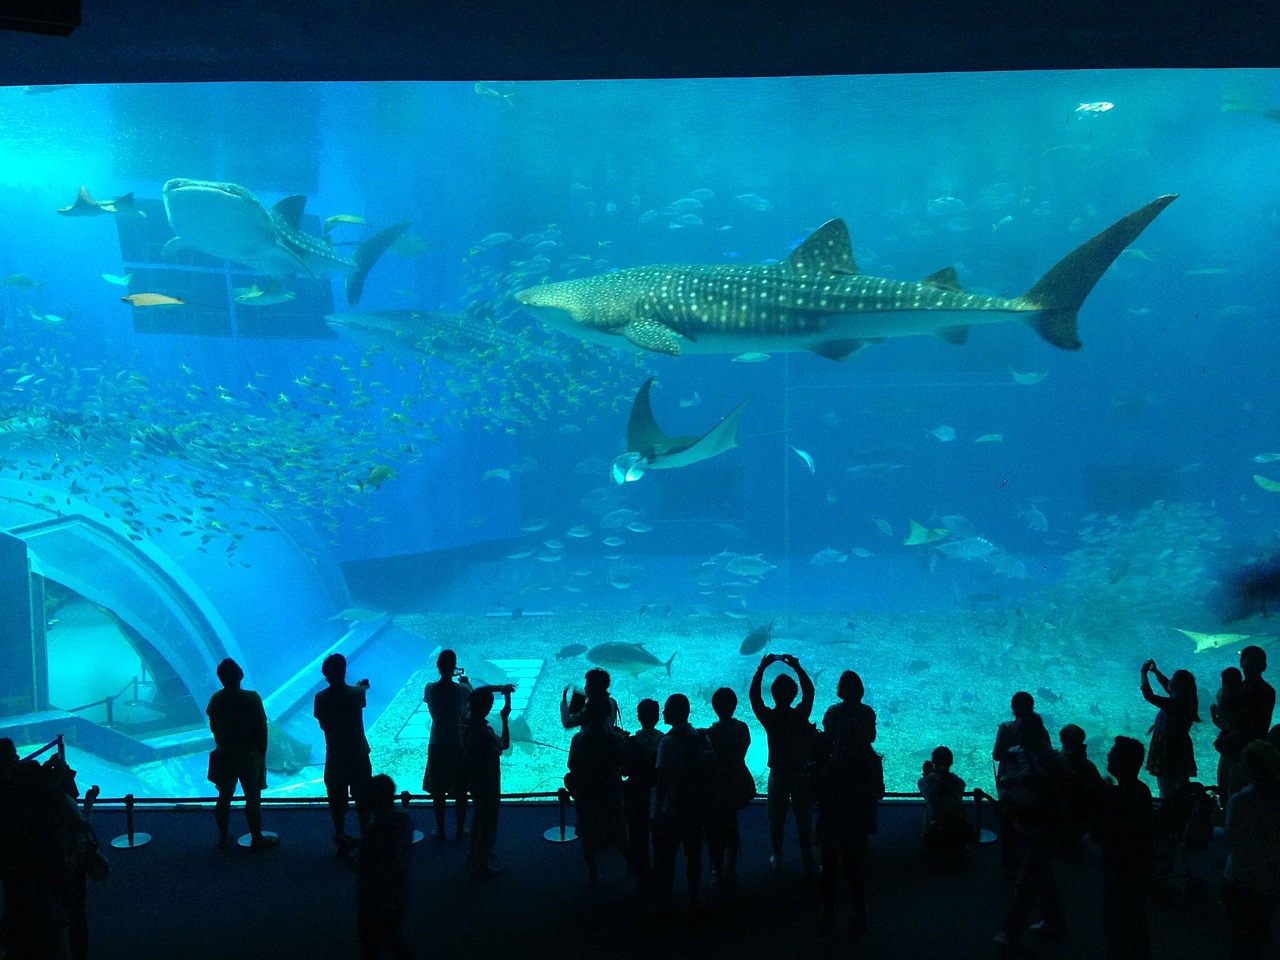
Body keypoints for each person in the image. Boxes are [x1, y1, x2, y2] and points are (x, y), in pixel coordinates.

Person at [994, 712, 1068, 949]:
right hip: (1021, 824)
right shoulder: (1015, 755)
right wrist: (1006, 801)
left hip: (1044, 829)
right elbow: (1004, 781)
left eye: (1024, 731)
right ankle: (1055, 921)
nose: (1019, 734)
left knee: (1026, 879)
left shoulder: (1052, 761)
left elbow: (1062, 795)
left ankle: (1009, 930)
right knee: (1042, 875)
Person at [817, 670, 881, 933]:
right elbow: (871, 739)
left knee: (834, 822)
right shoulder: (867, 712)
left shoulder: (833, 712)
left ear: (840, 691)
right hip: (863, 768)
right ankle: (860, 845)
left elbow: (827, 737)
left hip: (838, 770)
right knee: (861, 811)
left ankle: (830, 907)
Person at [748, 652, 816, 876]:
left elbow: (755, 699)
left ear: (773, 695)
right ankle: (808, 859)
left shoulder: (770, 718)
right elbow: (809, 693)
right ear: (793, 695)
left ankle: (777, 856)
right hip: (800, 773)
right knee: (804, 817)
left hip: (778, 773)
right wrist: (797, 667)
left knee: (776, 819)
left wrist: (761, 669)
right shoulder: (800, 716)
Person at [1091, 736, 1155, 960]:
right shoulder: (1143, 790)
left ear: (1123, 763)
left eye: (1113, 753)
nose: (1108, 755)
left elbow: (1099, 832)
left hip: (1118, 867)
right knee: (1137, 917)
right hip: (1140, 866)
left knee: (1114, 920)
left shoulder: (1114, 796)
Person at [1215, 738, 1280, 960]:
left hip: (1240, 875)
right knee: (1260, 932)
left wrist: (1212, 829)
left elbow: (1229, 838)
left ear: (1249, 767)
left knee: (1238, 935)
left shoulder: (1241, 800)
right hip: (1270, 877)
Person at [206, 658, 276, 850]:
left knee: (224, 797)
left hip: (225, 754)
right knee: (252, 798)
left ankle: (222, 837)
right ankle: (256, 838)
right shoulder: (252, 698)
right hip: (249, 756)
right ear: (240, 675)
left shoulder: (216, 700)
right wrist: (261, 754)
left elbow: (214, 729)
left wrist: (222, 746)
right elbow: (261, 729)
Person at [652, 693, 712, 915]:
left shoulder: (667, 742)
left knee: (667, 857)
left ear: (675, 712)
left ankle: (664, 901)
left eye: (666, 708)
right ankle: (696, 898)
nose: (663, 712)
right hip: (695, 806)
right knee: (694, 855)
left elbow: (662, 780)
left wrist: (657, 811)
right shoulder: (701, 738)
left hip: (673, 808)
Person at [314, 652, 373, 856]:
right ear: (344, 671)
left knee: (336, 801)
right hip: (357, 753)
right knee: (363, 800)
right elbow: (360, 698)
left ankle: (340, 837)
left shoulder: (320, 698)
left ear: (325, 675)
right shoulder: (356, 694)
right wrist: (362, 687)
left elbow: (323, 725)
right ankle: (367, 840)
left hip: (336, 755)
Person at [566, 697, 629, 885]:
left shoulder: (579, 738)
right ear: (609, 715)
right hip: (611, 790)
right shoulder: (616, 739)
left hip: (587, 792)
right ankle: (631, 866)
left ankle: (594, 872)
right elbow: (624, 768)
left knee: (587, 831)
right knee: (619, 830)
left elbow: (572, 765)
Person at [355, 774, 414, 960]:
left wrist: (348, 855)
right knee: (390, 936)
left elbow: (363, 865)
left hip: (373, 895)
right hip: (398, 890)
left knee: (371, 940)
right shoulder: (404, 819)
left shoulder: (375, 830)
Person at [993, 691, 1050, 878]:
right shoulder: (1041, 730)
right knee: (1031, 825)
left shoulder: (1005, 728)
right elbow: (1047, 754)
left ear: (1013, 708)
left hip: (1010, 785)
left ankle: (1008, 864)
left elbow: (996, 755)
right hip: (1034, 787)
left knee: (1009, 823)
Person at [462, 683, 512, 879]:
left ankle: (472, 852)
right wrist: (505, 718)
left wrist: (500, 688)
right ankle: (481, 865)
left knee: (477, 816)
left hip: (473, 778)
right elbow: (504, 745)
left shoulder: (465, 719)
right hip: (487, 779)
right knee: (489, 820)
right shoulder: (483, 732)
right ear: (487, 708)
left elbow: (478, 695)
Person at [705, 687, 752, 891]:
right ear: (735, 706)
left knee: (715, 830)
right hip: (739, 780)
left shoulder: (710, 733)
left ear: (714, 707)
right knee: (731, 826)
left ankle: (718, 871)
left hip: (717, 786)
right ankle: (731, 869)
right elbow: (743, 748)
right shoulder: (743, 728)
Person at [423, 649, 472, 843]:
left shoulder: (429, 688)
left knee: (438, 789)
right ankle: (460, 828)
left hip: (437, 742)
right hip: (457, 743)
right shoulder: (461, 690)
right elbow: (475, 702)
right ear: (454, 668)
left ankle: (440, 828)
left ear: (438, 666)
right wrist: (468, 684)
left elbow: (431, 702)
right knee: (460, 789)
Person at [1139, 659, 1200, 798]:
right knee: (1181, 780)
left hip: (1168, 747)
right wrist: (1156, 672)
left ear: (1178, 687)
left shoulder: (1174, 704)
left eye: (1173, 679)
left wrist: (1143, 674)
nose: (1170, 680)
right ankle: (1183, 806)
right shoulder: (1185, 698)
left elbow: (1149, 696)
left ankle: (1167, 807)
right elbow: (1168, 685)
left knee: (1166, 782)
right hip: (1179, 745)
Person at [621, 698, 662, 893]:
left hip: (636, 794)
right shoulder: (665, 740)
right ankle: (660, 873)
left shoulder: (631, 742)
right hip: (658, 795)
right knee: (660, 837)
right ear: (657, 716)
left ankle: (643, 878)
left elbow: (625, 771)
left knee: (638, 837)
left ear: (638, 717)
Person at [1058, 724, 1103, 860]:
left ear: (1062, 740)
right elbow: (1099, 787)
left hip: (1063, 810)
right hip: (1083, 812)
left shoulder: (1057, 762)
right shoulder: (1087, 766)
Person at [918, 746, 970, 863]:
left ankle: (925, 843)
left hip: (935, 821)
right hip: (955, 821)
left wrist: (928, 777)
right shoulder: (960, 783)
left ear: (933, 763)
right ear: (951, 763)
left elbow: (929, 797)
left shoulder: (924, 781)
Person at [1236, 646, 1276, 788]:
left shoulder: (1240, 690)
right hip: (1240, 750)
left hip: (1251, 752)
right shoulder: (1267, 691)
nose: (1250, 671)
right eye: (1248, 666)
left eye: (1254, 666)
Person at [1212, 667, 1247, 799]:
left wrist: (1213, 713)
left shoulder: (1228, 698)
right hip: (1234, 749)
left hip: (1231, 750)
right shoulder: (1244, 695)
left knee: (1227, 784)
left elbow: (1223, 725)